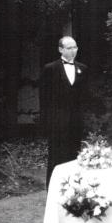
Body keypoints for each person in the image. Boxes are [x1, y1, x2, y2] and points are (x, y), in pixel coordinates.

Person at [39, 36, 89, 188]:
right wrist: (47, 123)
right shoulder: (50, 69)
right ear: (61, 49)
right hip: (57, 122)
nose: (73, 51)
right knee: (56, 157)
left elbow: (84, 97)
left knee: (74, 157)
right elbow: (44, 98)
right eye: (69, 48)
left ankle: (74, 189)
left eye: (75, 47)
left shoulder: (83, 69)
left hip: (75, 122)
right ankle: (54, 190)